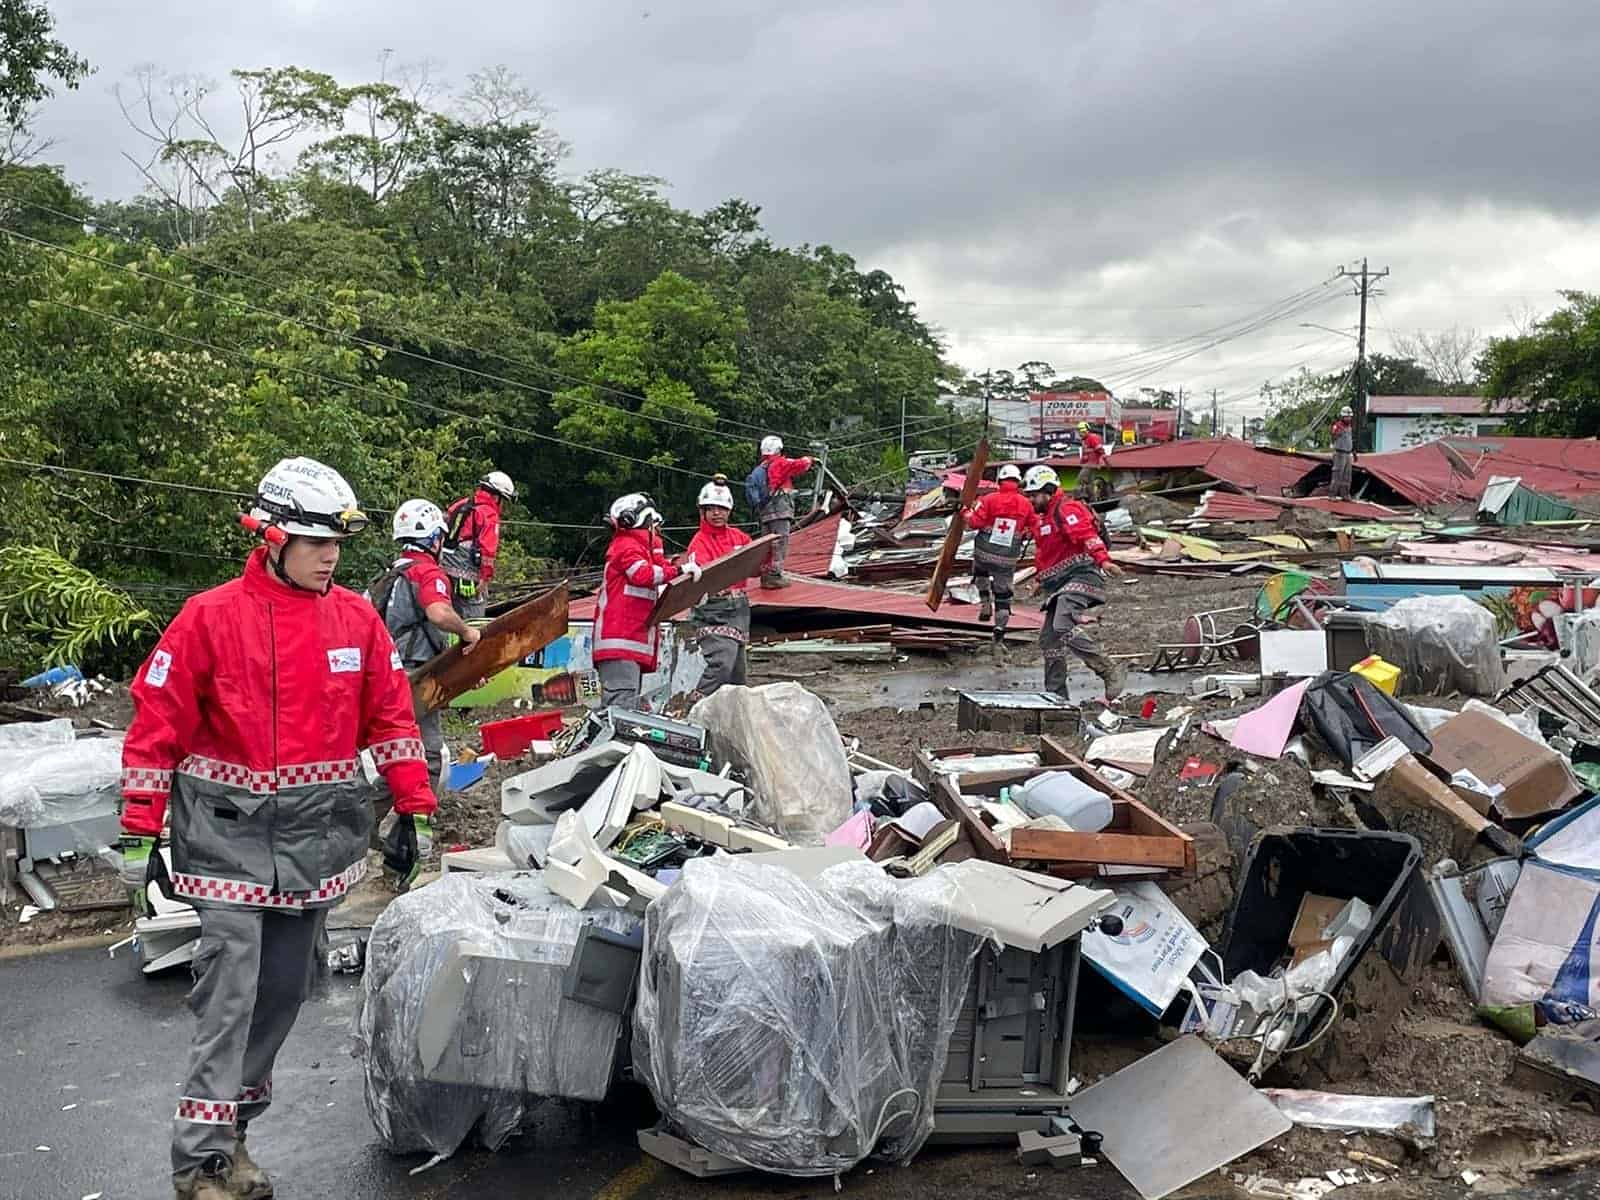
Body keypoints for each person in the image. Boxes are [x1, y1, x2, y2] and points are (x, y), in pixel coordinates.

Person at [118, 457, 438, 1200]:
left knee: (286, 992)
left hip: (315, 844)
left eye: (336, 544)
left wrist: (413, 807)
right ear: (271, 537)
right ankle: (201, 1161)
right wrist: (138, 832)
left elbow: (393, 718)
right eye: (315, 542)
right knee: (230, 994)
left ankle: (234, 1131)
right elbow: (155, 727)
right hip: (225, 841)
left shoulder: (356, 620)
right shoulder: (208, 618)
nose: (330, 557)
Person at [370, 499, 483, 787]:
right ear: (434, 539)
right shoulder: (427, 573)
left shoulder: (388, 577)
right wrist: (467, 632)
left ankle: (375, 813)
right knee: (428, 757)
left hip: (386, 676)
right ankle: (410, 814)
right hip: (416, 676)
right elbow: (438, 613)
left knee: (397, 755)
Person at [1022, 464, 1127, 701]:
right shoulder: (1045, 520)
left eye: (1034, 495)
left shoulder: (1067, 509)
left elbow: (1086, 535)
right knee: (1049, 640)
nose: (1031, 500)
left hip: (1082, 575)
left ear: (1048, 491)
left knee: (1062, 624)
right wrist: (1039, 579)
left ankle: (1108, 669)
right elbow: (1047, 554)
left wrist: (1103, 560)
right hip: (1058, 584)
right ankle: (1056, 698)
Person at [593, 492, 701, 710]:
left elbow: (658, 568)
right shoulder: (626, 546)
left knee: (625, 707)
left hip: (626, 643)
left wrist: (677, 570)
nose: (657, 530)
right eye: (654, 525)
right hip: (620, 642)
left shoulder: (638, 549)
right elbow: (644, 575)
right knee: (620, 710)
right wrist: (679, 570)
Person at [685, 476, 753, 695]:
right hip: (714, 610)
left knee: (737, 674)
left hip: (739, 609)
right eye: (711, 509)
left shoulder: (739, 538)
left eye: (721, 508)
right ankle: (696, 704)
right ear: (702, 511)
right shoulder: (699, 542)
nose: (717, 513)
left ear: (729, 511)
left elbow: (756, 564)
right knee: (722, 662)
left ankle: (732, 712)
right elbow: (706, 577)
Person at [963, 463, 1037, 663]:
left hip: (984, 551)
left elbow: (975, 523)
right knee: (1004, 595)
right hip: (1007, 557)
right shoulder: (1026, 504)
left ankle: (985, 601)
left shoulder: (988, 499)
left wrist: (965, 514)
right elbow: (1035, 526)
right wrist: (1025, 532)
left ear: (1000, 480)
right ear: (1018, 481)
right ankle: (998, 636)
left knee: (979, 571)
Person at [441, 469, 516, 619]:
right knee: (474, 620)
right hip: (469, 579)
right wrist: (484, 578)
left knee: (446, 616)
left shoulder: (461, 504)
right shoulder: (489, 514)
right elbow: (488, 551)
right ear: (496, 497)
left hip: (443, 572)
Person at [750, 435, 814, 589]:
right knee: (780, 542)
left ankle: (766, 575)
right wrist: (810, 459)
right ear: (779, 449)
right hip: (780, 510)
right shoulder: (779, 462)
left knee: (767, 543)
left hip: (765, 512)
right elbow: (800, 464)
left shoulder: (760, 469)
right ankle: (774, 575)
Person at [1330, 405, 1355, 500]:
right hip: (1340, 453)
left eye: (1350, 417)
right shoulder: (1337, 426)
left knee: (1347, 476)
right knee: (1337, 475)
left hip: (1348, 453)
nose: (1348, 418)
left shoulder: (1349, 427)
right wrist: (1337, 432)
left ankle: (1345, 494)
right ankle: (1332, 494)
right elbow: (1333, 436)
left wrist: (1353, 452)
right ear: (1342, 417)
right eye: (1346, 417)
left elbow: (1350, 440)